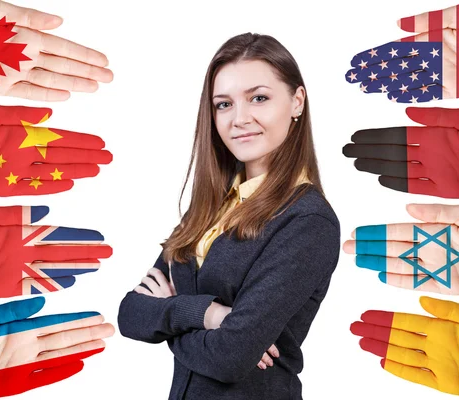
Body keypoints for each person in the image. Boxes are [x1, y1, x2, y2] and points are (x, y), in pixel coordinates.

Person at [118, 33, 341, 399]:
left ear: (297, 101)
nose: (239, 118)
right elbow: (130, 314)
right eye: (223, 104)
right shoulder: (211, 208)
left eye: (259, 98)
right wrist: (209, 317)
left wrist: (172, 317)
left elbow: (230, 357)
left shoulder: (306, 221)